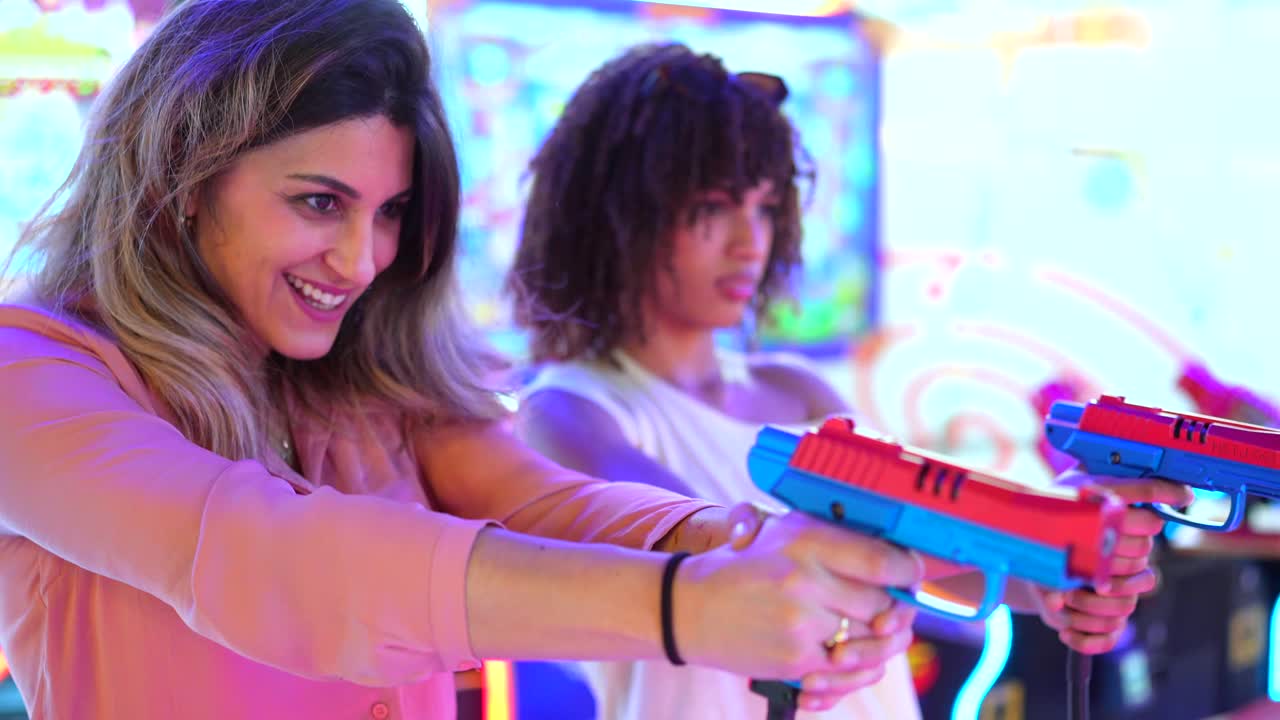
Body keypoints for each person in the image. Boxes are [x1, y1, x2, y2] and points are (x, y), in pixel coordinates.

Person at [0, 4, 940, 719]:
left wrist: (749, 547)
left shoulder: (369, 383)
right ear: (182, 177)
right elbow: (268, 557)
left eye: (393, 213)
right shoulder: (33, 372)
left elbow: (547, 503)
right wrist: (683, 608)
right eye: (321, 203)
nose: (362, 261)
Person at [507, 42, 1192, 720]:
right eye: (713, 209)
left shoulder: (798, 390)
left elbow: (924, 541)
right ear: (619, 215)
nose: (751, 241)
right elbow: (743, 558)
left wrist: (1046, 565)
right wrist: (1032, 527)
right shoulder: (570, 415)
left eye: (768, 207)